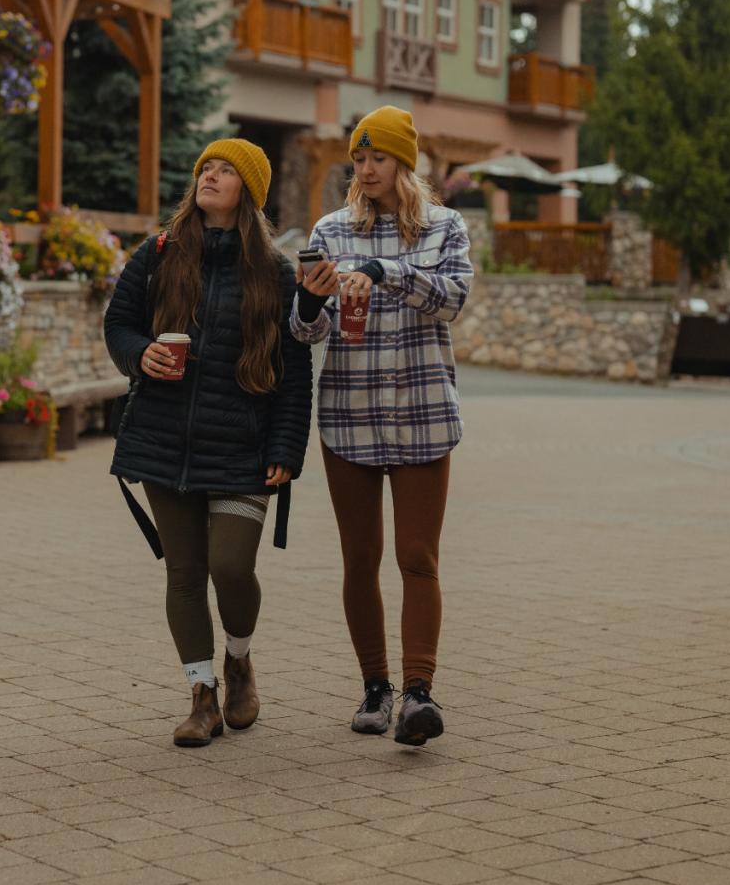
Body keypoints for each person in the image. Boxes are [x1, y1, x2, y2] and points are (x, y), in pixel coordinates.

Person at [105, 139, 313, 747]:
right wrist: (139, 354)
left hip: (243, 449)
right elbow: (118, 324)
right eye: (205, 169)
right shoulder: (160, 254)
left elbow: (294, 372)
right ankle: (202, 695)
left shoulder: (275, 272)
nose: (210, 177)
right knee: (186, 572)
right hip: (163, 443)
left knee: (231, 566)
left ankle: (240, 658)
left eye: (224, 171)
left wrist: (286, 448)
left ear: (247, 191)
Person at [291, 106, 472, 746]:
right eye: (358, 159)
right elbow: (307, 332)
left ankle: (419, 696)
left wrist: (387, 271)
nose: (365, 170)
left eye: (378, 159)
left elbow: (453, 299)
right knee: (360, 559)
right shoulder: (331, 230)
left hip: (423, 414)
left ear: (403, 163)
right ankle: (376, 688)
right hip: (349, 416)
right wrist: (311, 298)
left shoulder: (445, 227)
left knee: (417, 557)